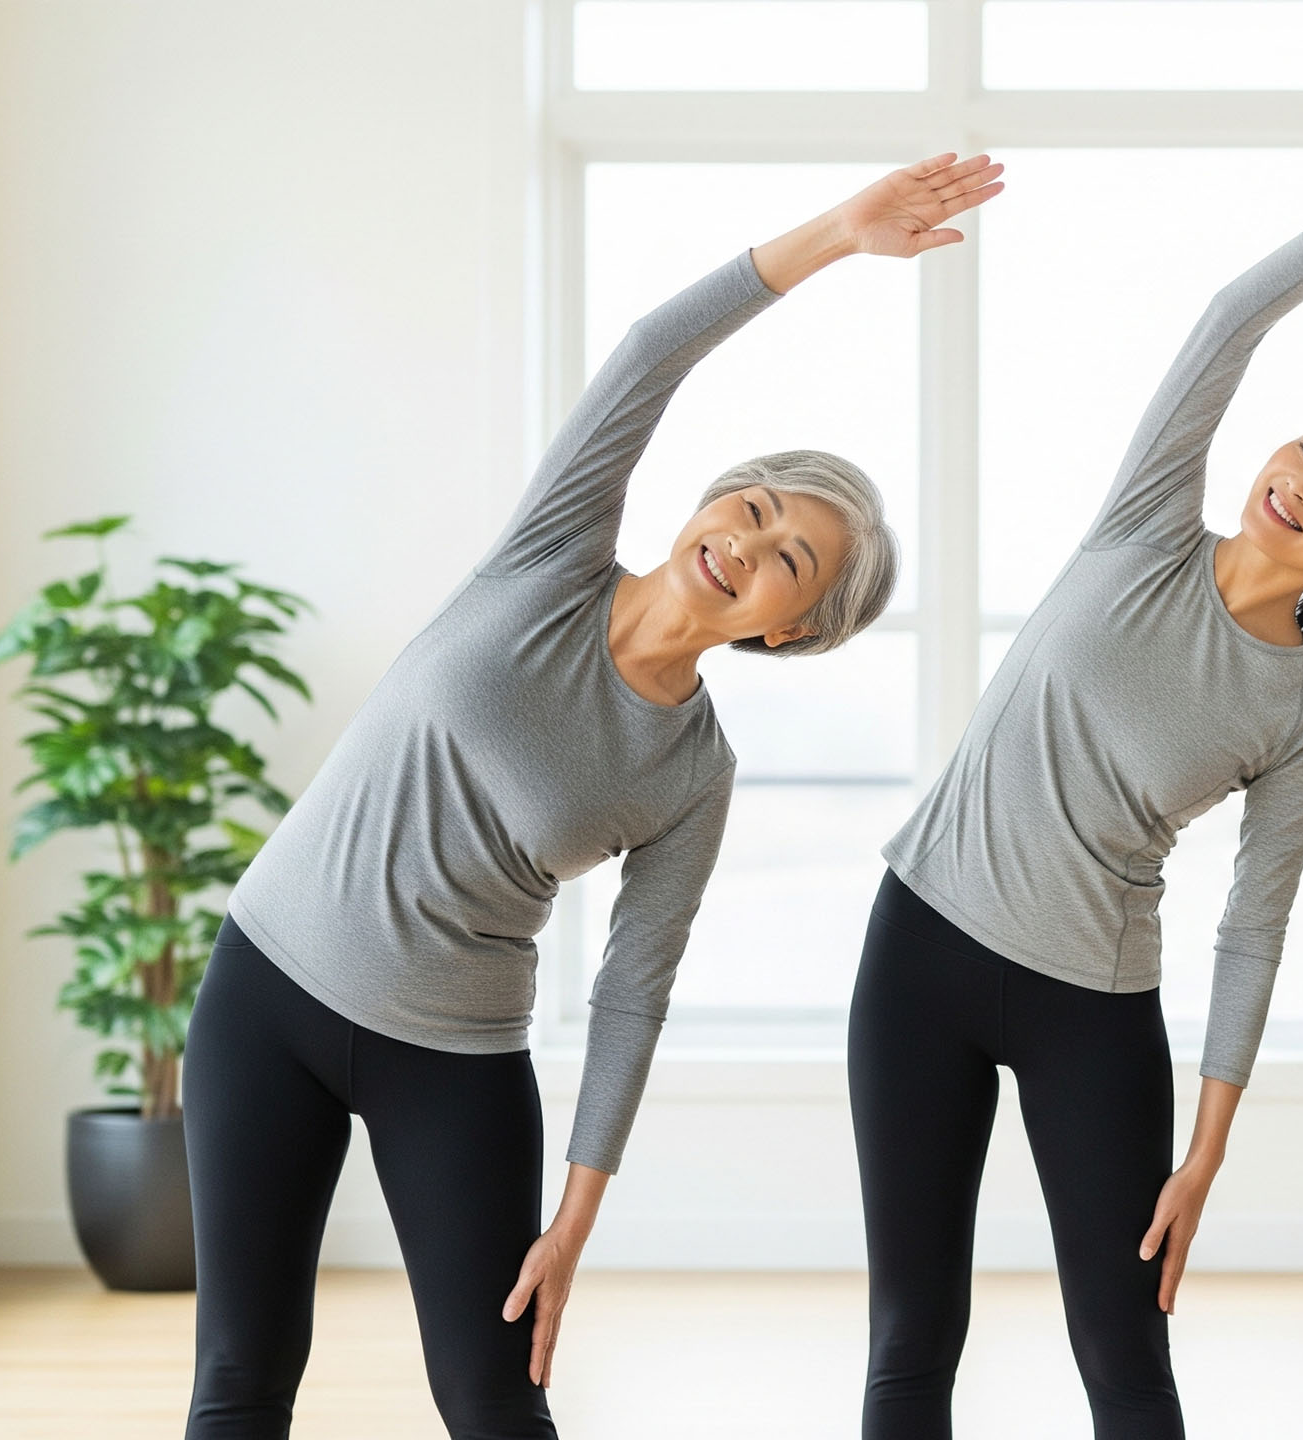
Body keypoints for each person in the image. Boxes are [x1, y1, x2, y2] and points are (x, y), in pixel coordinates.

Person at [180, 155, 1002, 1439]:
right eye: (755, 503)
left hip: (449, 1055)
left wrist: (576, 1209)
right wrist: (839, 235)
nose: (747, 538)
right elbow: (649, 354)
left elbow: (633, 985)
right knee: (240, 1379)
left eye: (790, 558)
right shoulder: (549, 557)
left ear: (794, 632)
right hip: (268, 989)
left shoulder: (691, 770)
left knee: (500, 1408)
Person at [850, 125, 1303, 1439]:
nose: (1302, 480)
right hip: (921, 951)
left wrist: (1210, 1142)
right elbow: (1233, 317)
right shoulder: (1144, 522)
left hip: (1094, 1009)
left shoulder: (1300, 716)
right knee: (910, 1337)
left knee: (1124, 1351)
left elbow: (1254, 926)